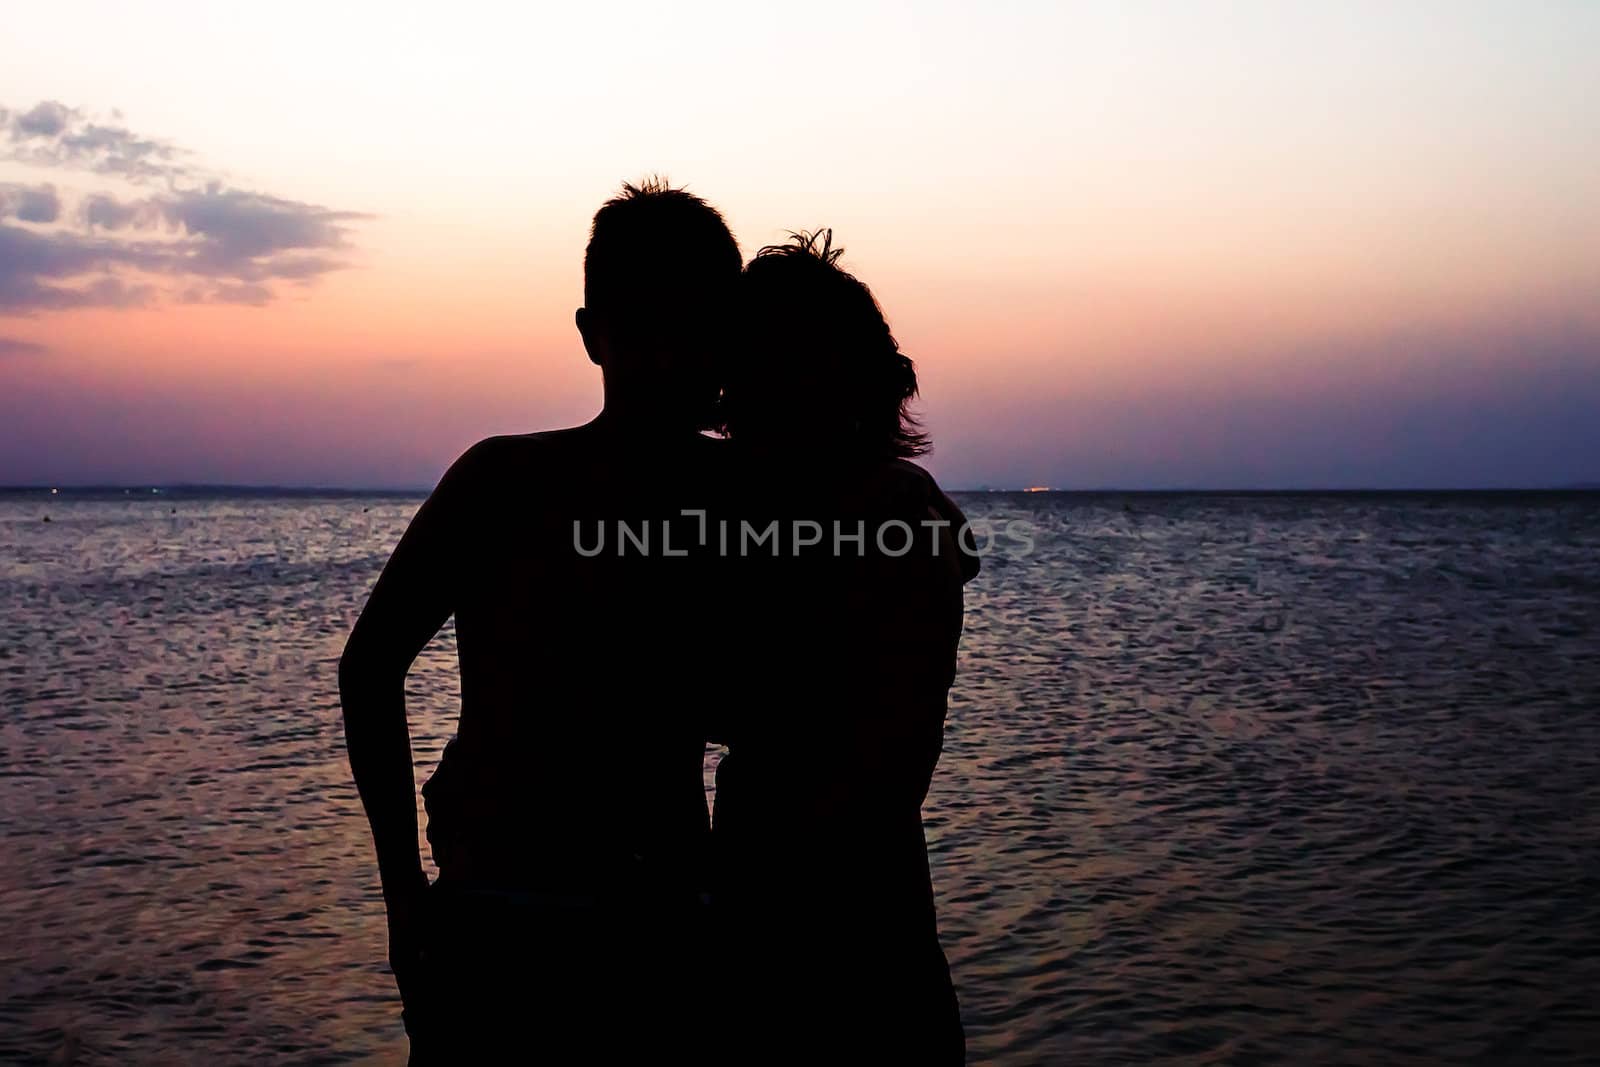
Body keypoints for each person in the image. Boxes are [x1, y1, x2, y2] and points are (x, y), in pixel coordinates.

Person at [338, 179, 740, 1061]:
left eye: (690, 328)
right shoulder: (503, 482)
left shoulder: (743, 495)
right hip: (513, 916)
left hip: (651, 919)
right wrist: (405, 895)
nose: (669, 356)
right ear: (595, 335)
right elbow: (369, 667)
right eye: (648, 328)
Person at [711, 230, 977, 1064]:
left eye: (784, 368)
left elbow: (862, 741)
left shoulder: (891, 513)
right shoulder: (849, 510)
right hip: (793, 913)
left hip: (845, 923)